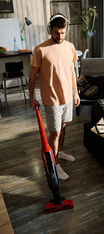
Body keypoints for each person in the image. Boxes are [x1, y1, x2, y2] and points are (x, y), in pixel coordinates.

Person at [28, 13, 80, 181]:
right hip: (51, 99)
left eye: (63, 32)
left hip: (67, 97)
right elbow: (32, 76)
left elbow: (72, 71)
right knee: (55, 132)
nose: (60, 36)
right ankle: (55, 165)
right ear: (50, 30)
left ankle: (61, 152)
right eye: (57, 32)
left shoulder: (70, 47)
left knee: (63, 126)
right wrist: (31, 97)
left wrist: (76, 92)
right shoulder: (40, 49)